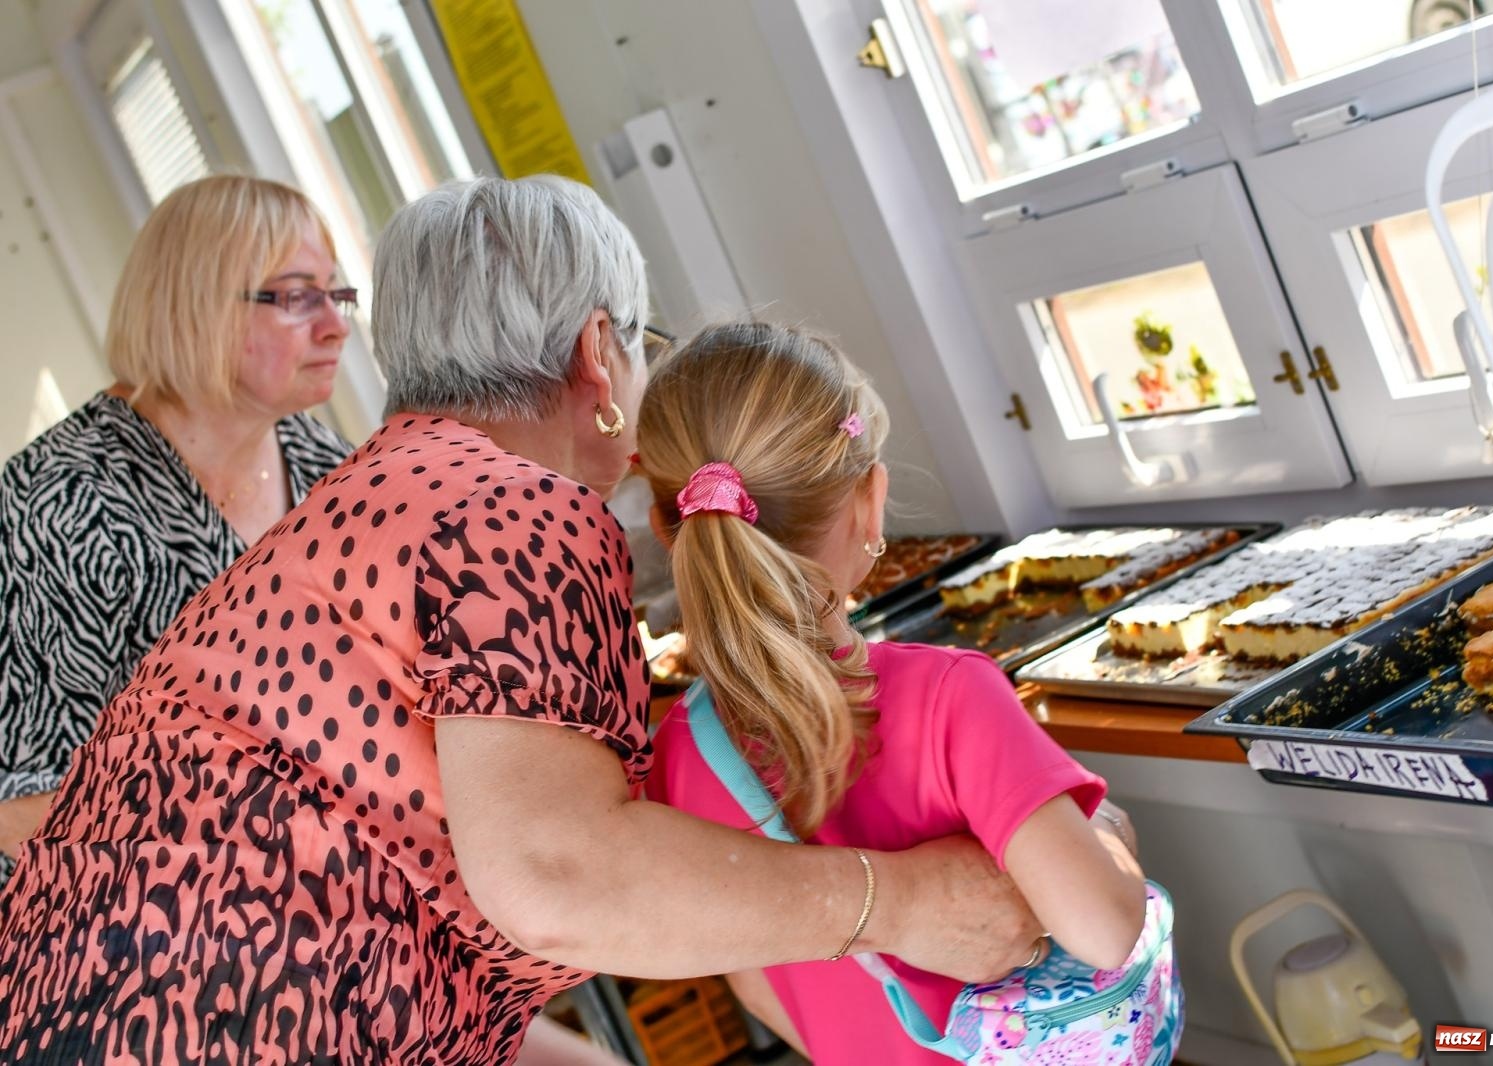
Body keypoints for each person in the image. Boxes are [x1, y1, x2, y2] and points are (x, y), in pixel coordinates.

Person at [0, 176, 1041, 1065]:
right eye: (639, 348)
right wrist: (896, 901)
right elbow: (556, 872)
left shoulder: (370, 489)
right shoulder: (509, 506)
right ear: (598, 355)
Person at [635, 322, 1149, 1064]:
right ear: (869, 504)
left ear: (666, 527)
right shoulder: (949, 695)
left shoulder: (677, 753)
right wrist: (1111, 838)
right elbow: (1103, 928)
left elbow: (754, 988)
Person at [0, 174, 352, 885]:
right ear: (199, 309)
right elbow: (20, 801)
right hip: (107, 937)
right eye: (295, 297)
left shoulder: (324, 466)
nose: (334, 324)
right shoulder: (57, 503)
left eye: (335, 292)